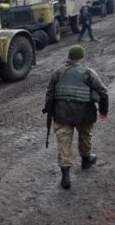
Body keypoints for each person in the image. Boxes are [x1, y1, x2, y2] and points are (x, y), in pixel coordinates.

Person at [43, 45, 108, 189]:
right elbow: (103, 92)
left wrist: (50, 111)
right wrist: (103, 111)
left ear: (69, 58)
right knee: (85, 135)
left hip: (62, 114)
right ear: (81, 58)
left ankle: (65, 175)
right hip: (84, 114)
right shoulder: (88, 73)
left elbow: (49, 95)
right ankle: (86, 159)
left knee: (63, 142)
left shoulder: (58, 72)